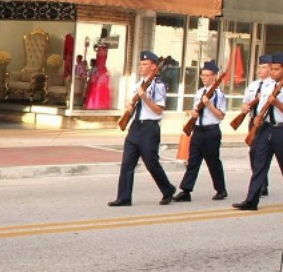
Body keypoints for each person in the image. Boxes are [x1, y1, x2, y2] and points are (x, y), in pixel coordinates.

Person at [108, 50, 176, 207]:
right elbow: (133, 106)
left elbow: (159, 109)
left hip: (149, 128)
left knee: (151, 163)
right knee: (127, 163)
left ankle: (167, 189)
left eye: (144, 64)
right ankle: (124, 197)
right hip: (135, 126)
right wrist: (130, 107)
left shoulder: (158, 85)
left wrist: (145, 97)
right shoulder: (139, 84)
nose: (141, 66)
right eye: (140, 64)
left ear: (153, 66)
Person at [233, 52, 283, 211]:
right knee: (259, 164)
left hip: (281, 130)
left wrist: (276, 103)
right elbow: (261, 106)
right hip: (265, 128)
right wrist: (258, 118)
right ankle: (251, 200)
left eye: (276, 69)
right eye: (272, 69)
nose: (272, 72)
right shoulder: (268, 86)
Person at [173, 61, 227, 202]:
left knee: (213, 162)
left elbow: (221, 115)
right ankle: (186, 190)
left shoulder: (219, 94)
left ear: (215, 76)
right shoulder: (199, 92)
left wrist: (209, 105)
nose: (204, 78)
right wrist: (193, 113)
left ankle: (221, 189)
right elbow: (195, 109)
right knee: (193, 162)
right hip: (198, 130)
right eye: (202, 75)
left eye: (207, 75)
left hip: (211, 131)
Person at [241, 55, 273, 198]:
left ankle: (260, 185)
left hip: (266, 123)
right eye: (259, 67)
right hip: (253, 122)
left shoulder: (274, 85)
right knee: (254, 154)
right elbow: (245, 102)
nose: (260, 69)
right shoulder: (253, 85)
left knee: (261, 155)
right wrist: (245, 108)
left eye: (264, 67)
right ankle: (261, 184)